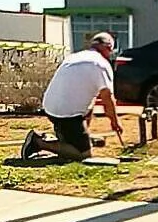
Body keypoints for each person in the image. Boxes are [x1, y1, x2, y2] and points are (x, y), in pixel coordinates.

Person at [21, 32, 123, 162]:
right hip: (67, 114)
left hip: (50, 107)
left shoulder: (75, 57)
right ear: (108, 48)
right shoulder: (101, 65)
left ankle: (77, 138)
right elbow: (107, 98)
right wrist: (115, 121)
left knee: (91, 102)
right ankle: (38, 143)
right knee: (83, 155)